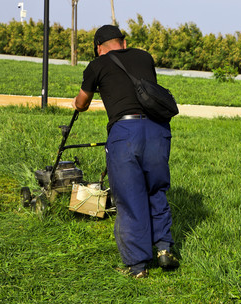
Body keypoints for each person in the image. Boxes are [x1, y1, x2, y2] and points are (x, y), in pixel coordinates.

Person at [73, 25, 178, 278]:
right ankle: (164, 249)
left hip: (125, 132)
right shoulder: (144, 57)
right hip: (157, 129)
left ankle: (138, 266)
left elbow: (82, 103)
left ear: (99, 47)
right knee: (156, 189)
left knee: (130, 198)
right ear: (123, 42)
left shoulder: (96, 65)